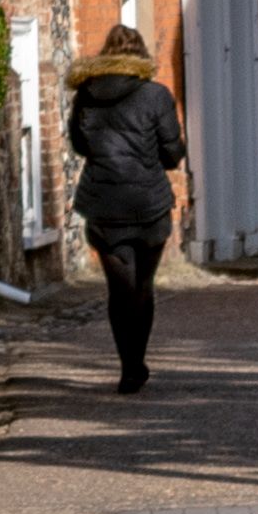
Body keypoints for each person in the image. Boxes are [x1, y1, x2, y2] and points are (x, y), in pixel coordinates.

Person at [59, 29, 189, 393]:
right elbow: (172, 154)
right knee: (143, 287)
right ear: (141, 56)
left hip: (104, 203)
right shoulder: (155, 95)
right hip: (148, 202)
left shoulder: (86, 94)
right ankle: (136, 363)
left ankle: (128, 365)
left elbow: (80, 145)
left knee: (119, 290)